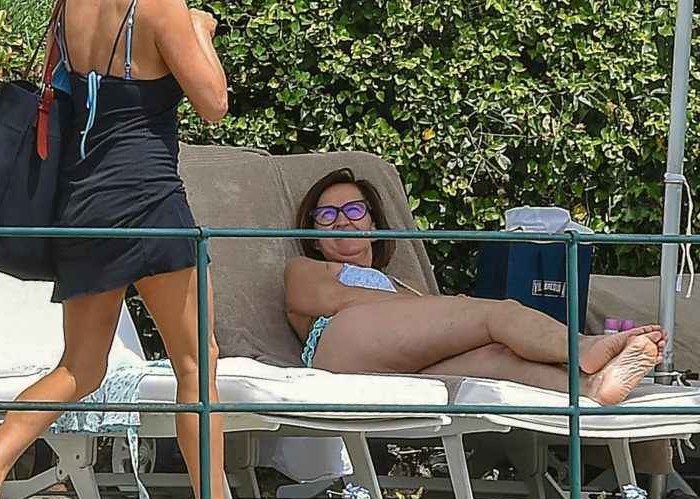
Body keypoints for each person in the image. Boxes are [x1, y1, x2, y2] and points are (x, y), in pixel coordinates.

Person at [0, 0, 246, 499]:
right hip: (148, 199)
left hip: (83, 201)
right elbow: (214, 103)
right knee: (196, 365)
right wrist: (201, 31)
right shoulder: (163, 4)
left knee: (79, 369)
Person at [285, 168, 666, 405]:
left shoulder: (404, 285)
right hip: (339, 348)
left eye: (354, 210)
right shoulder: (307, 268)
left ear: (372, 224)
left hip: (400, 366)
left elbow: (422, 326)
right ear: (314, 235)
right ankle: (584, 347)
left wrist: (445, 310)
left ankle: (592, 387)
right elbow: (334, 300)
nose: (342, 221)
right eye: (326, 215)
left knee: (496, 357)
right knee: (497, 314)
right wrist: (454, 308)